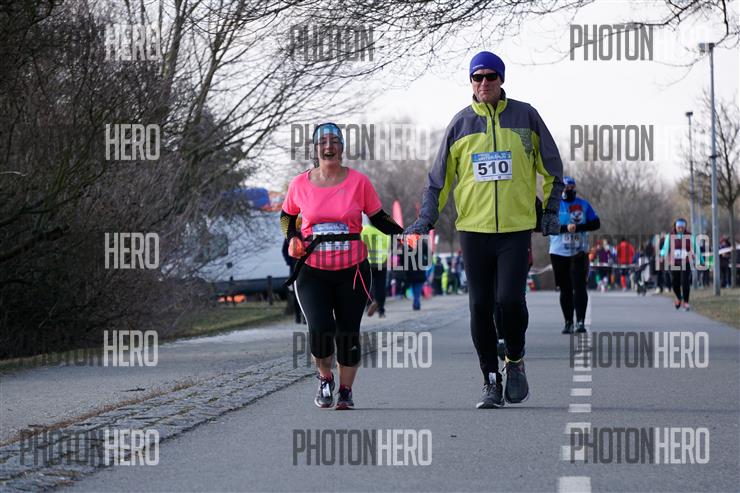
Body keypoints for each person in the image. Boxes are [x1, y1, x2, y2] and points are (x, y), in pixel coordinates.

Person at [405, 51, 564, 408]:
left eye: (491, 76)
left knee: (509, 300)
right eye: (477, 77)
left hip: (515, 229)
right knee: (479, 306)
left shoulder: (526, 116)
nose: (484, 83)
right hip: (473, 231)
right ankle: (490, 380)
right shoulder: (460, 124)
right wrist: (425, 220)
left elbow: (553, 169)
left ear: (501, 79)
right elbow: (438, 182)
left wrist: (551, 211)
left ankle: (515, 358)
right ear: (471, 82)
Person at [281, 123, 403, 409]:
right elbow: (286, 217)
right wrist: (293, 237)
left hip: (353, 271)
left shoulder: (359, 182)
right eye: (323, 142)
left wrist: (403, 232)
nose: (329, 147)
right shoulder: (299, 184)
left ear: (342, 148)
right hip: (312, 270)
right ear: (315, 149)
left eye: (335, 141)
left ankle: (346, 391)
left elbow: (378, 216)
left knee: (348, 333)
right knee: (320, 329)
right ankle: (325, 379)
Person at [548, 176, 600, 334]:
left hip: (579, 251)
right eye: (565, 188)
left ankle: (580, 322)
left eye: (571, 188)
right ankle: (568, 322)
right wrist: (566, 228)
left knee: (579, 287)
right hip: (558, 252)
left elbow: (596, 223)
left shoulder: (583, 204)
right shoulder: (554, 205)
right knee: (565, 289)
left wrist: (578, 227)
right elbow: (548, 226)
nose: (568, 191)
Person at [659, 218, 699, 311]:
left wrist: (699, 258)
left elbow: (696, 248)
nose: (680, 229)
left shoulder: (689, 236)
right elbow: (665, 248)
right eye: (679, 227)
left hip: (686, 262)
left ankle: (686, 302)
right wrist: (662, 255)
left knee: (685, 282)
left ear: (685, 227)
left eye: (682, 227)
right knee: (674, 282)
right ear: (675, 227)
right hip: (674, 262)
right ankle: (678, 297)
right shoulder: (670, 236)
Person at [361, 216, 391, 318]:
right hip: (381, 262)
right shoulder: (385, 232)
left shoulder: (365, 230)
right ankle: (381, 310)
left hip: (367, 262)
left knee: (366, 285)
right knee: (380, 286)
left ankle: (369, 303)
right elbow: (388, 247)